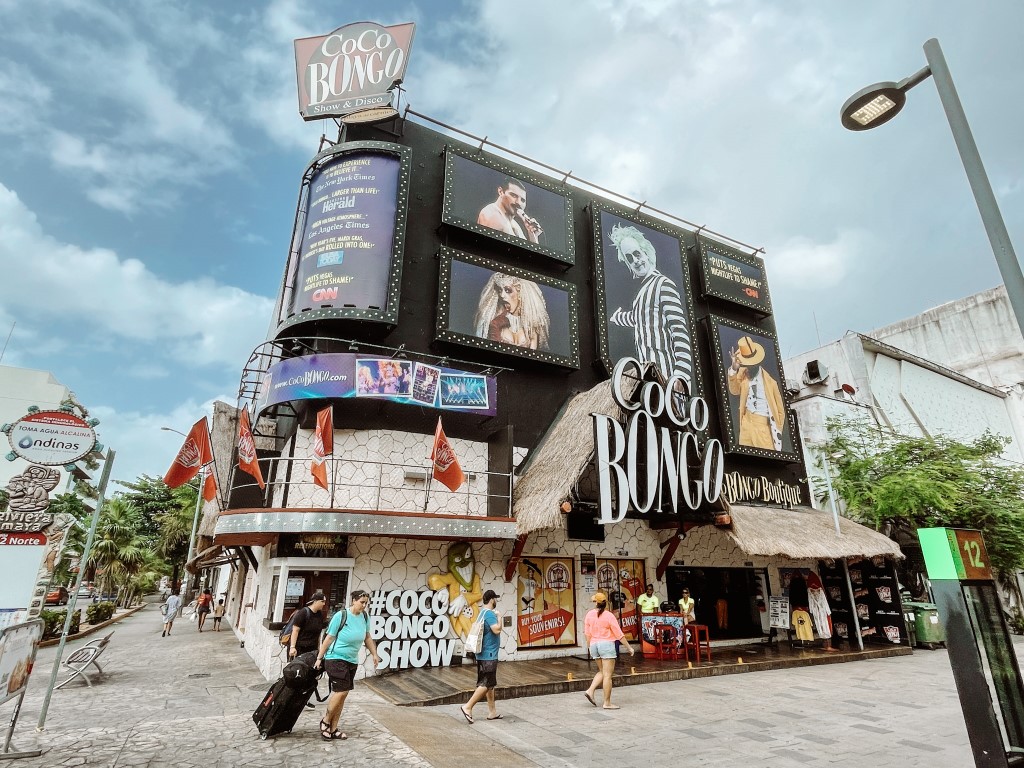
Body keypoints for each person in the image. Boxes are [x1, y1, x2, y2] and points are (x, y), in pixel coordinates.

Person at [608, 223, 693, 392]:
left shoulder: (663, 284)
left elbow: (679, 330)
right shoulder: (642, 293)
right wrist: (615, 317)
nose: (636, 261)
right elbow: (637, 318)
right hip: (649, 378)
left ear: (646, 251)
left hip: (669, 379)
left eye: (637, 254)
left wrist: (682, 374)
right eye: (629, 258)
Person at [314, 590, 380, 741]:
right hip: (335, 657)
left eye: (366, 603)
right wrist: (319, 658)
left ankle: (333, 728)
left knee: (342, 695)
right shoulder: (341, 616)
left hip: (352, 660)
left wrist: (375, 654)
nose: (364, 605)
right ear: (354, 601)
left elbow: (367, 637)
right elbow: (329, 638)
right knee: (341, 691)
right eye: (361, 602)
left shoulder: (364, 616)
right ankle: (325, 721)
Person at [727, 335, 785, 451]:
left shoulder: (770, 382)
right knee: (746, 462)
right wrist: (733, 369)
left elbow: (780, 411)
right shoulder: (742, 374)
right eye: (746, 363)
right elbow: (734, 390)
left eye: (751, 363)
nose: (748, 366)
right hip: (746, 424)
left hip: (763, 426)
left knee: (766, 463)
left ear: (757, 362)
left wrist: (776, 429)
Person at [583, 591, 634, 710]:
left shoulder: (589, 614)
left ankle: (590, 691)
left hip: (594, 645)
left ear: (596, 603)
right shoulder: (609, 615)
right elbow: (619, 634)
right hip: (606, 645)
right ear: (605, 603)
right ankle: (607, 703)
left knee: (602, 671)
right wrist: (629, 647)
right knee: (607, 676)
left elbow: (587, 634)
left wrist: (589, 647)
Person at [473, 272, 550, 350]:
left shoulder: (532, 327)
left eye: (507, 290)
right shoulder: (494, 321)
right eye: (500, 290)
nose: (502, 295)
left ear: (520, 293)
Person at [459, 589, 503, 724]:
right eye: (495, 598)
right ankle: (468, 707)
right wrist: (500, 618)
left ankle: (492, 712)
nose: (496, 601)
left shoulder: (481, 613)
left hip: (482, 654)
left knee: (489, 684)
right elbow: (496, 630)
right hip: (488, 654)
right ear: (491, 600)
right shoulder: (489, 614)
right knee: (486, 683)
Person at [477, 176, 543, 243]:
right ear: (501, 191)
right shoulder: (492, 215)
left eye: (522, 200)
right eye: (514, 196)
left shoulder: (514, 224)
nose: (518, 203)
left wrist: (532, 234)